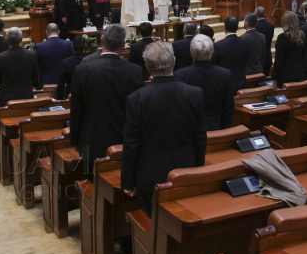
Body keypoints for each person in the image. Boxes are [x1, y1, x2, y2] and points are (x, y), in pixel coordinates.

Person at [122, 42, 207, 215]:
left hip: (149, 176)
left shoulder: (137, 99)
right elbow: (200, 138)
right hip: (185, 171)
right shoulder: (194, 93)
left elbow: (131, 144)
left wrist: (127, 181)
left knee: (151, 228)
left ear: (147, 66)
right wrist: (198, 171)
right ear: (174, 61)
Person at [71, 24, 144, 166]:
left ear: (102, 40)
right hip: (125, 140)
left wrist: (75, 140)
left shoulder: (82, 70)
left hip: (91, 139)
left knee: (91, 182)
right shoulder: (135, 71)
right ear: (123, 44)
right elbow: (138, 109)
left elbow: (76, 110)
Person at [175, 34, 234, 131]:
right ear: (212, 54)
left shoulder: (180, 75)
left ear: (190, 53)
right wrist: (224, 130)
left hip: (189, 131)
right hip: (216, 128)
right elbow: (228, 107)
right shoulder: (224, 74)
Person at [0, 27, 39, 106]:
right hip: (26, 97)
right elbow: (34, 75)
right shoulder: (31, 55)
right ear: (21, 39)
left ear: (6, 40)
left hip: (6, 98)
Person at [210, 16, 248, 94]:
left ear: (224, 27)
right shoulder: (246, 43)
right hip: (242, 85)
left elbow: (213, 66)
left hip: (224, 87)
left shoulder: (218, 45)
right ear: (237, 27)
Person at [271, 12, 307, 88]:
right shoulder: (302, 35)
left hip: (285, 76)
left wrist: (274, 77)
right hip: (299, 73)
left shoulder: (282, 37)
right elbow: (303, 56)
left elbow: (278, 60)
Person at [57, 35, 88, 100]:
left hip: (71, 96)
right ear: (85, 46)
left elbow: (61, 84)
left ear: (72, 46)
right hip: (88, 95)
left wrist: (59, 100)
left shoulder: (66, 62)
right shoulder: (91, 60)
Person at [254, 6, 275, 75]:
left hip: (256, 58)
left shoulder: (253, 26)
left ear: (255, 14)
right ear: (265, 14)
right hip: (267, 56)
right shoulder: (271, 26)